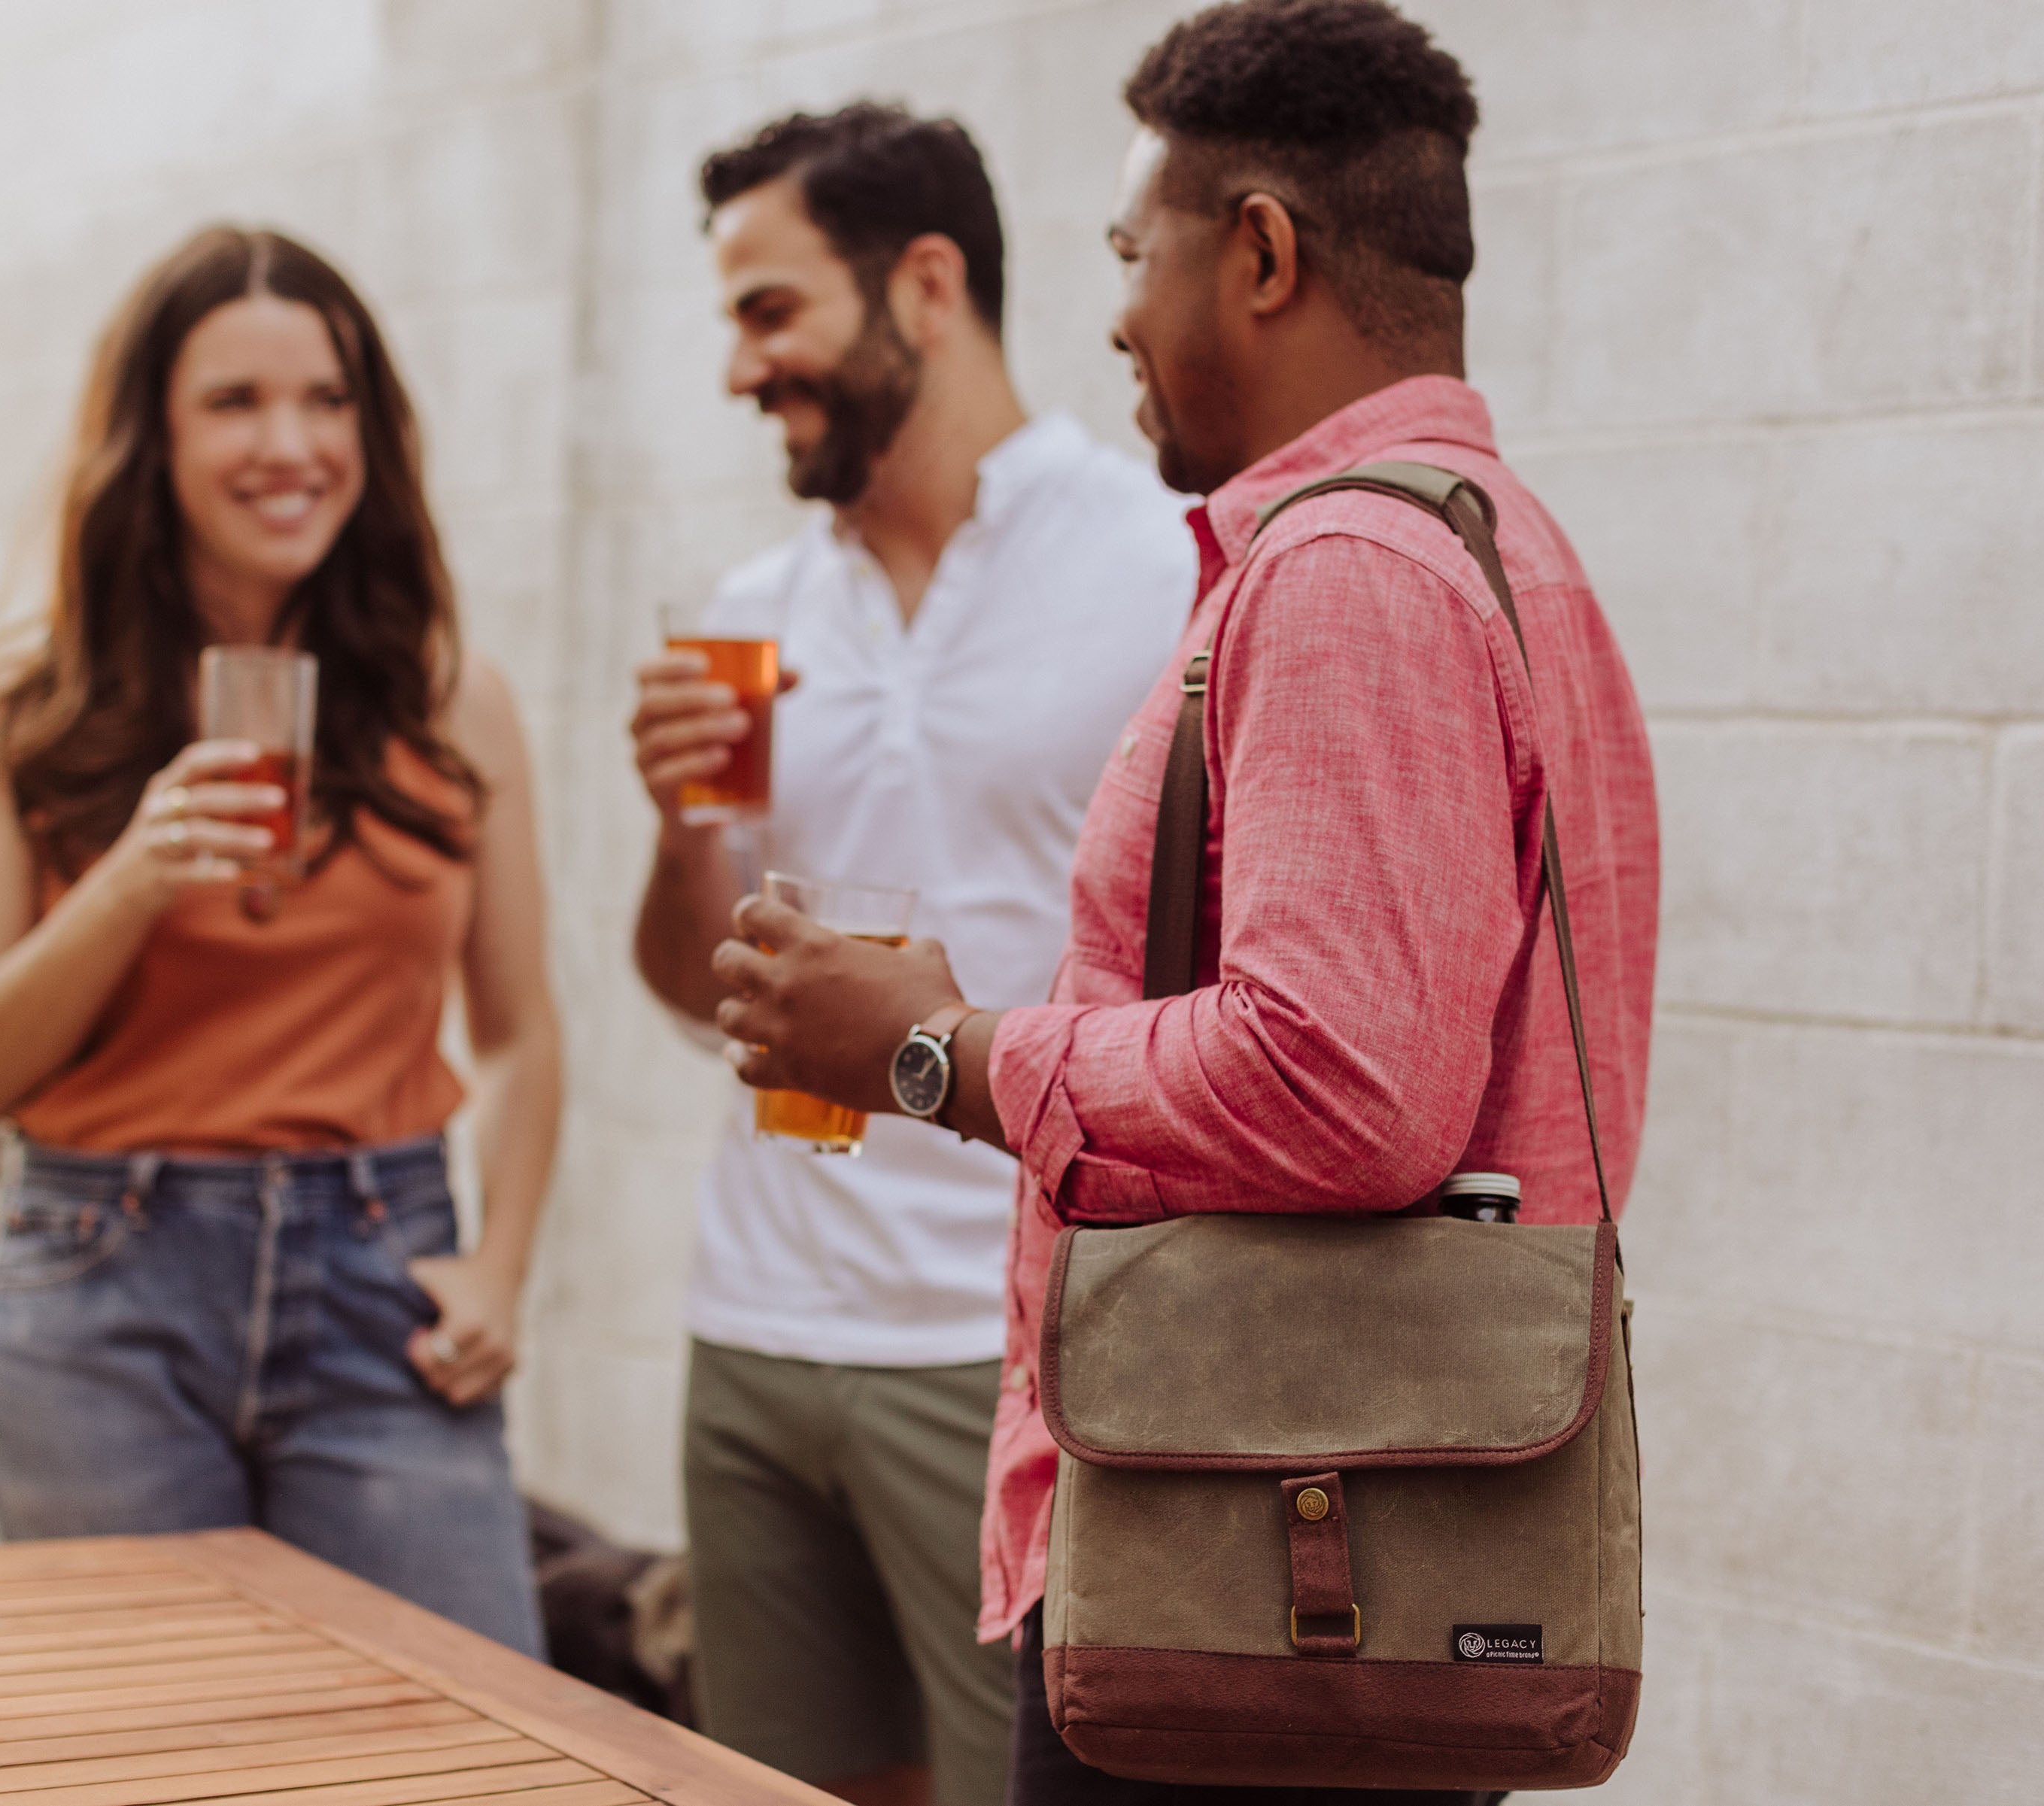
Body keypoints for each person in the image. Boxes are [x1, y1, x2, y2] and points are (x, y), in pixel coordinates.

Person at [703, 5, 1662, 1804]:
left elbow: (1337, 1083)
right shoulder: (1496, 543)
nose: (1122, 316)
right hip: (1348, 1548)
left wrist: (932, 1051)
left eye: (1135, 258)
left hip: (1254, 1573)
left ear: (1264, 256)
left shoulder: (1348, 570)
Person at [628, 105, 1194, 1806]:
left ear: (926, 283)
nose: (742, 366)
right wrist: (674, 826)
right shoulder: (752, 611)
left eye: (770, 309)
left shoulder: (1155, 563)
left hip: (994, 1345)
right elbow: (689, 981)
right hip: (754, 1332)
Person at [0, 226, 557, 1656]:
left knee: (466, 1732)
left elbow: (521, 1029)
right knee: (154, 1751)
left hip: (381, 1269)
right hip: (104, 1284)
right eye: (236, 402)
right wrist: (134, 878)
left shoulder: (453, 703)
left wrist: (501, 1263)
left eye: (326, 400)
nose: (292, 443)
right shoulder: (15, 720)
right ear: (149, 438)